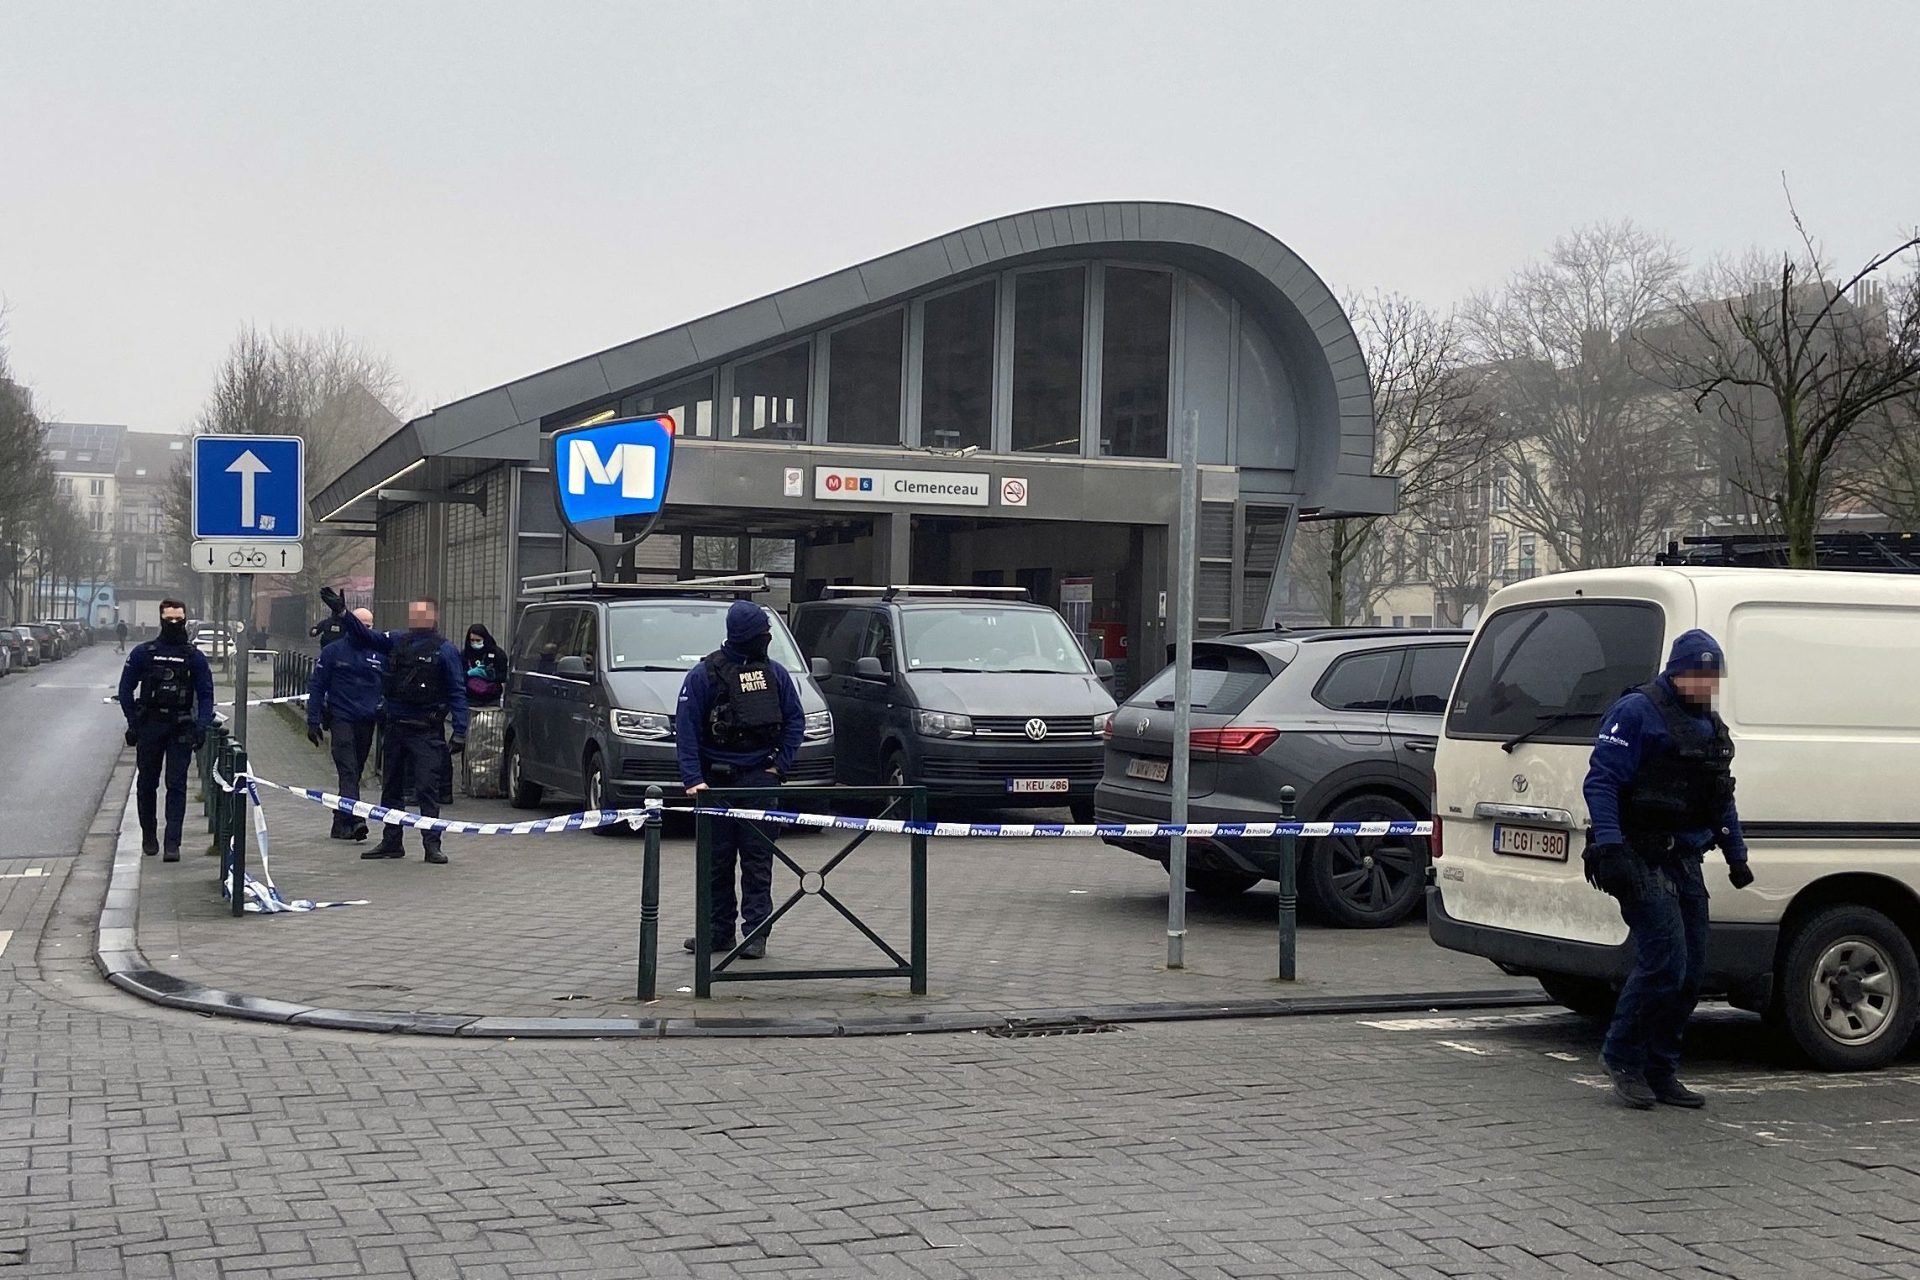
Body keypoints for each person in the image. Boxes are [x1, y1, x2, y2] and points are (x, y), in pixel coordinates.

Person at [1582, 629, 1753, 1111]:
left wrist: (1737, 856)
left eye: (1712, 676)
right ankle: (1623, 1059)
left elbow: (1722, 799)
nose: (1706, 684)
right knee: (1665, 961)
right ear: (1678, 673)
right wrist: (1612, 848)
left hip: (1684, 857)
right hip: (1637, 853)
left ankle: (1662, 1069)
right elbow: (1602, 783)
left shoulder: (1712, 729)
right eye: (1698, 674)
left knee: (1692, 971)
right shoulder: (1637, 712)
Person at [675, 600, 804, 960]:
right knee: (715, 864)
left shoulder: (775, 674)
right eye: (763, 633)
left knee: (757, 863)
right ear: (748, 635)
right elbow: (685, 730)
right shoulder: (704, 675)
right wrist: (693, 779)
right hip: (715, 786)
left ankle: (756, 934)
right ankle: (718, 933)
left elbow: (795, 721)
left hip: (760, 783)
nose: (767, 638)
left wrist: (780, 765)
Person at [322, 588, 468, 864]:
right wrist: (343, 614)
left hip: (426, 730)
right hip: (395, 727)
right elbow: (366, 636)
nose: (418, 617)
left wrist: (460, 730)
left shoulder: (445, 650)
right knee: (391, 788)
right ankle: (392, 841)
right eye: (415, 612)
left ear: (435, 617)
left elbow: (457, 691)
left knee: (426, 789)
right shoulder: (397, 640)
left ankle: (431, 844)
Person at [116, 599, 215, 861]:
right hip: (150, 725)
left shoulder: (193, 657)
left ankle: (173, 843)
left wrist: (202, 726)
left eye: (178, 619)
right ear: (161, 619)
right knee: (147, 784)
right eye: (169, 619)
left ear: (185, 619)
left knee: (176, 785)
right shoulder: (143, 653)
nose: (174, 624)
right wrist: (133, 723)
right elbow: (125, 690)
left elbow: (206, 694)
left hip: (180, 726)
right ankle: (149, 835)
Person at [306, 608, 384, 842]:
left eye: (369, 626)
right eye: (361, 625)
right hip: (341, 718)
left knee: (355, 771)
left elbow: (388, 684)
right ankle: (356, 818)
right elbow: (317, 686)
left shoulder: (379, 652)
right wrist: (313, 720)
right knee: (348, 770)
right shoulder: (333, 651)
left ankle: (340, 823)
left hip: (366, 720)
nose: (364, 630)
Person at [462, 624, 508, 708]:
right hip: (470, 699)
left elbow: (504, 676)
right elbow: (457, 676)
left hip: (491, 698)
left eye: (478, 640)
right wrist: (469, 673)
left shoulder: (497, 653)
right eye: (472, 640)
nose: (475, 643)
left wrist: (492, 676)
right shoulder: (465, 654)